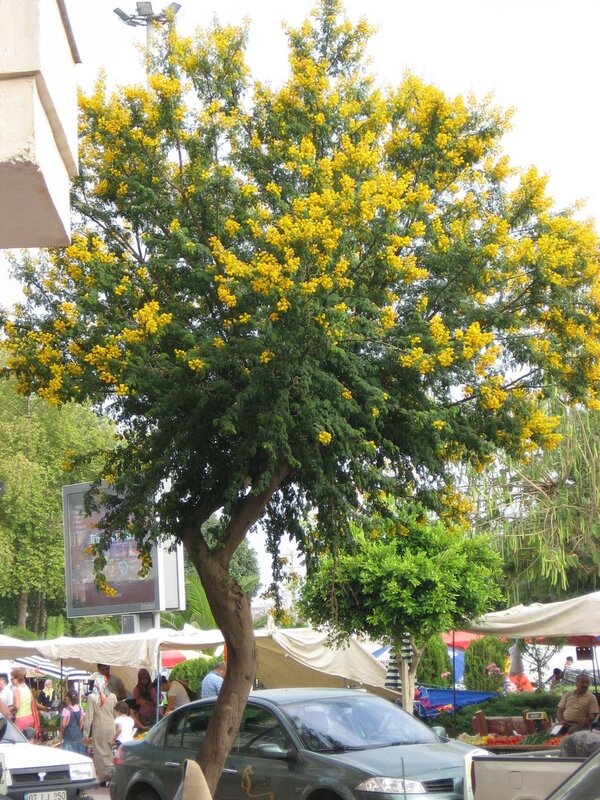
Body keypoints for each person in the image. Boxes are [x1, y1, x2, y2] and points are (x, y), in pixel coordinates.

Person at [83, 673, 117, 785]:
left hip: (99, 728)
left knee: (100, 753)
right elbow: (115, 713)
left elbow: (88, 717)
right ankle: (113, 775)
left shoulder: (92, 697)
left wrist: (86, 734)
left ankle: (103, 779)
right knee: (110, 752)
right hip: (111, 727)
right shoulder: (112, 696)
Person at [11, 668, 39, 736]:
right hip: (30, 718)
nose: (11, 681)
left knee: (19, 741)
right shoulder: (27, 688)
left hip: (21, 719)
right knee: (29, 740)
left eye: (12, 679)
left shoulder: (16, 690)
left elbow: (17, 706)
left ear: (17, 679)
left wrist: (10, 709)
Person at [60, 689, 85, 754]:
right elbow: (82, 722)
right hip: (78, 737)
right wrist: (77, 730)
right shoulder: (80, 708)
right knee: (79, 756)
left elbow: (63, 725)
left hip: (68, 738)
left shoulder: (66, 710)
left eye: (66, 696)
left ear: (68, 698)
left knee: (69, 756)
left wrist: (62, 734)